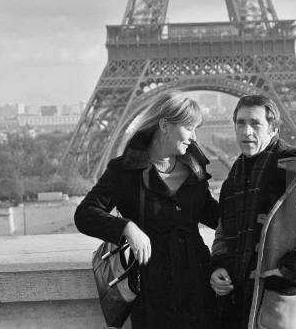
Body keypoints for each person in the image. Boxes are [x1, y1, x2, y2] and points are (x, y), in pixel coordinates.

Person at [75, 91, 220, 329]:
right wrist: (127, 228)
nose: (194, 137)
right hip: (152, 289)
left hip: (198, 285)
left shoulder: (194, 167)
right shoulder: (124, 171)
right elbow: (85, 214)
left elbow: (211, 213)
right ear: (164, 125)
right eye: (189, 128)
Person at [210, 95, 296, 329]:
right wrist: (219, 264)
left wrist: (293, 269)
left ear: (273, 128)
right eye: (240, 123)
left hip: (277, 297)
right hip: (238, 300)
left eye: (255, 123)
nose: (246, 131)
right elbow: (223, 231)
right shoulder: (233, 179)